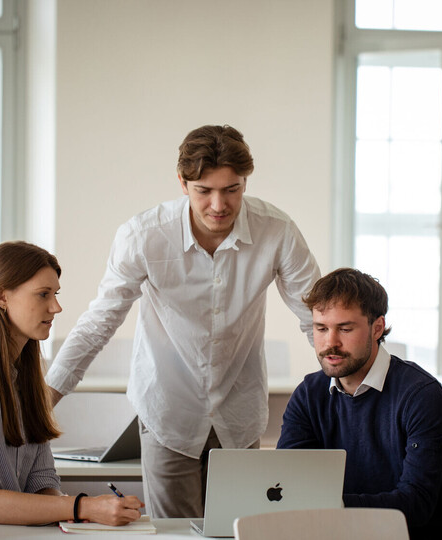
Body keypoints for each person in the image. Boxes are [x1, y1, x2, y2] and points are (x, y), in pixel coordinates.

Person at [45, 125, 321, 518]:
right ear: (182, 182)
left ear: (246, 182)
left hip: (239, 411)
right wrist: (46, 398)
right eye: (204, 190)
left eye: (232, 189)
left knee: (238, 531)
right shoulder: (144, 236)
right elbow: (99, 322)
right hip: (168, 411)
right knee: (173, 539)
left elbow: (316, 316)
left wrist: (352, 383)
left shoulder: (276, 231)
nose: (218, 205)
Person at [0, 241, 144, 525]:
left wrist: (81, 517)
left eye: (55, 294)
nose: (56, 307)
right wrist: (84, 508)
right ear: (1, 297)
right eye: (43, 294)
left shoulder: (23, 376)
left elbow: (41, 480)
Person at [278, 268, 442, 540]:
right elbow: (286, 484)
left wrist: (326, 506)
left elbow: (416, 505)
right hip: (334, 532)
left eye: (345, 328)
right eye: (321, 328)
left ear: (377, 328)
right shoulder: (309, 393)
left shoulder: (420, 394)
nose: (330, 343)